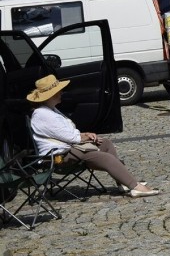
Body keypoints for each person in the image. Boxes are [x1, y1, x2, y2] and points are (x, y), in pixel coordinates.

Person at [28, 75, 159, 198]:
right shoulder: (42, 114)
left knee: (105, 144)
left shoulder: (50, 110)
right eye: (59, 91)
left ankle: (123, 182)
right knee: (104, 157)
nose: (61, 93)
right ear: (50, 95)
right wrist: (84, 137)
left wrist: (85, 135)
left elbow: (65, 133)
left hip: (68, 149)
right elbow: (71, 138)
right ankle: (135, 186)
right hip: (57, 156)